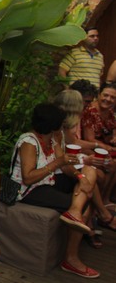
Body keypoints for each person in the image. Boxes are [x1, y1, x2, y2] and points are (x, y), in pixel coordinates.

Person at [10, 103, 99, 278]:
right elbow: (28, 178)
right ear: (52, 125)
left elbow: (65, 167)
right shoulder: (29, 142)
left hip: (46, 181)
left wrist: (81, 178)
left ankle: (74, 211)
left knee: (89, 172)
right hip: (28, 190)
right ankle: (71, 259)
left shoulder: (50, 139)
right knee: (85, 204)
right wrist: (58, 163)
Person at [52, 89, 116, 248]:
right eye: (83, 103)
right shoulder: (58, 128)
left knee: (95, 174)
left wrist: (88, 158)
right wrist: (87, 160)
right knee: (93, 177)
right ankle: (100, 216)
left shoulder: (68, 123)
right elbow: (62, 158)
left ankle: (92, 217)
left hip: (69, 165)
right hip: (57, 172)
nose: (85, 107)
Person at [81, 81, 116, 212]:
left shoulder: (110, 112)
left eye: (113, 97)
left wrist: (113, 137)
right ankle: (99, 205)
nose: (108, 99)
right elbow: (89, 138)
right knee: (111, 164)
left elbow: (110, 133)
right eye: (106, 95)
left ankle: (106, 200)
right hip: (89, 148)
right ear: (99, 95)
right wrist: (109, 147)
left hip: (105, 147)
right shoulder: (90, 111)